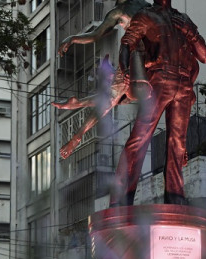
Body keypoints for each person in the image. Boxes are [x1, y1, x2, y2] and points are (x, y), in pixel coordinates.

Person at [110, 0, 206, 206]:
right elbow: (127, 44)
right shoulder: (146, 15)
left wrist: (190, 32)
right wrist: (127, 72)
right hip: (160, 79)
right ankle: (121, 198)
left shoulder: (183, 19)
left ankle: (175, 197)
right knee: (140, 138)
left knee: (178, 144)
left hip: (183, 85)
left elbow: (204, 56)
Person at [54, 0, 151, 159]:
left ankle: (78, 127)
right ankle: (78, 113)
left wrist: (72, 38)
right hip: (151, 52)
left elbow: (95, 35)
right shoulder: (146, 5)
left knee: (112, 98)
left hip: (135, 52)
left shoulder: (119, 11)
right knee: (115, 96)